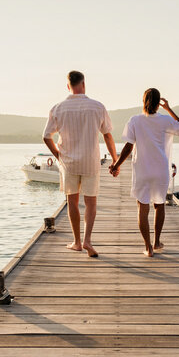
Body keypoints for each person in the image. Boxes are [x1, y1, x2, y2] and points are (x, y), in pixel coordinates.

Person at [43, 70, 118, 257]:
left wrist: (57, 155)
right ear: (84, 84)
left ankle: (76, 242)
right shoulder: (97, 107)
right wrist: (115, 160)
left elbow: (46, 136)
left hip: (68, 162)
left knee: (72, 201)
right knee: (91, 202)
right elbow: (107, 134)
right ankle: (87, 240)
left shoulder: (58, 108)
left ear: (68, 86)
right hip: (90, 161)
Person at [109, 88, 179, 257]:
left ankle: (148, 247)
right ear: (159, 103)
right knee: (159, 205)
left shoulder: (135, 120)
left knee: (142, 208)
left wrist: (116, 164)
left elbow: (128, 147)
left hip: (142, 169)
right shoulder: (165, 120)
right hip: (160, 169)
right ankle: (157, 242)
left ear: (143, 101)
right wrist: (169, 109)